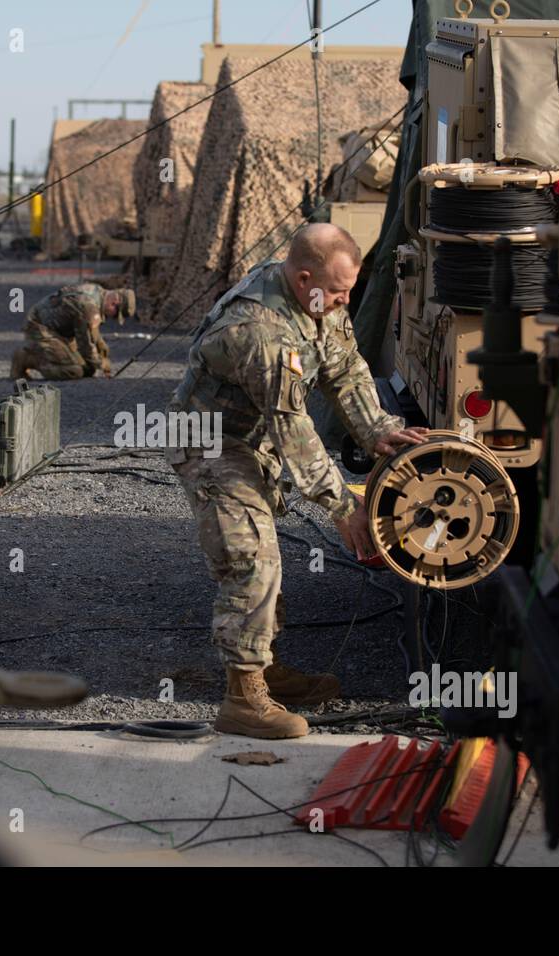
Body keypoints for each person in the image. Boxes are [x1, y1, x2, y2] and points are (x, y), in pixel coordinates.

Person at [166, 223, 428, 739]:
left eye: (348, 290)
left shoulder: (318, 299)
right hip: (209, 443)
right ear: (304, 275)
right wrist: (341, 507)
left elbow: (345, 367)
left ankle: (265, 667)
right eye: (336, 291)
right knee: (252, 558)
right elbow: (295, 431)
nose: (343, 301)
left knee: (265, 553)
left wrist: (378, 429)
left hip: (250, 436)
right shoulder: (259, 330)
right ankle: (242, 700)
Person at [10, 284, 135, 380]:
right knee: (74, 371)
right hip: (40, 327)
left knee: (86, 368)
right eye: (115, 315)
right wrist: (100, 365)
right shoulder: (89, 307)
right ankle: (26, 358)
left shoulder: (97, 291)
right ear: (114, 303)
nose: (111, 318)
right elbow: (85, 343)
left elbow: (93, 335)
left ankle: (42, 355)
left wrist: (102, 354)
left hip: (60, 330)